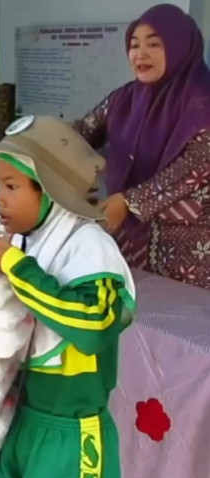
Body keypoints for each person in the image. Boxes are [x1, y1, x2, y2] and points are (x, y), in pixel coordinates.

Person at [0, 115, 136, 478]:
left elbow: (93, 327)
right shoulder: (29, 241)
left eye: (11, 186)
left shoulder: (90, 249)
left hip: (71, 433)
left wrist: (12, 264)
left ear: (51, 190)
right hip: (19, 418)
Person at [76, 4, 210, 289]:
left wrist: (130, 201)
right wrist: (37, 142)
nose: (140, 53)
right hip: (127, 237)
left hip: (189, 249)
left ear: (180, 47)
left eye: (154, 44)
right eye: (134, 45)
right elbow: (83, 132)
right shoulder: (124, 99)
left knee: (183, 324)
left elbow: (194, 168)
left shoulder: (203, 103)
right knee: (131, 311)